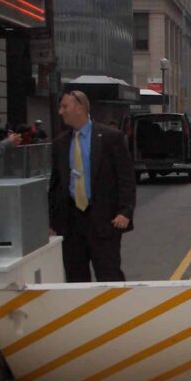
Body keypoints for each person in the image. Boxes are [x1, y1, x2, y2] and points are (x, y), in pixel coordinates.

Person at [48, 90, 135, 282]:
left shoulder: (110, 138)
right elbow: (55, 186)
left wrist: (125, 211)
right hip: (71, 224)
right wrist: (52, 222)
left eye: (65, 106)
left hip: (104, 221)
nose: (60, 111)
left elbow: (126, 178)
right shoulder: (60, 144)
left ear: (80, 108)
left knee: (109, 275)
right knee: (76, 279)